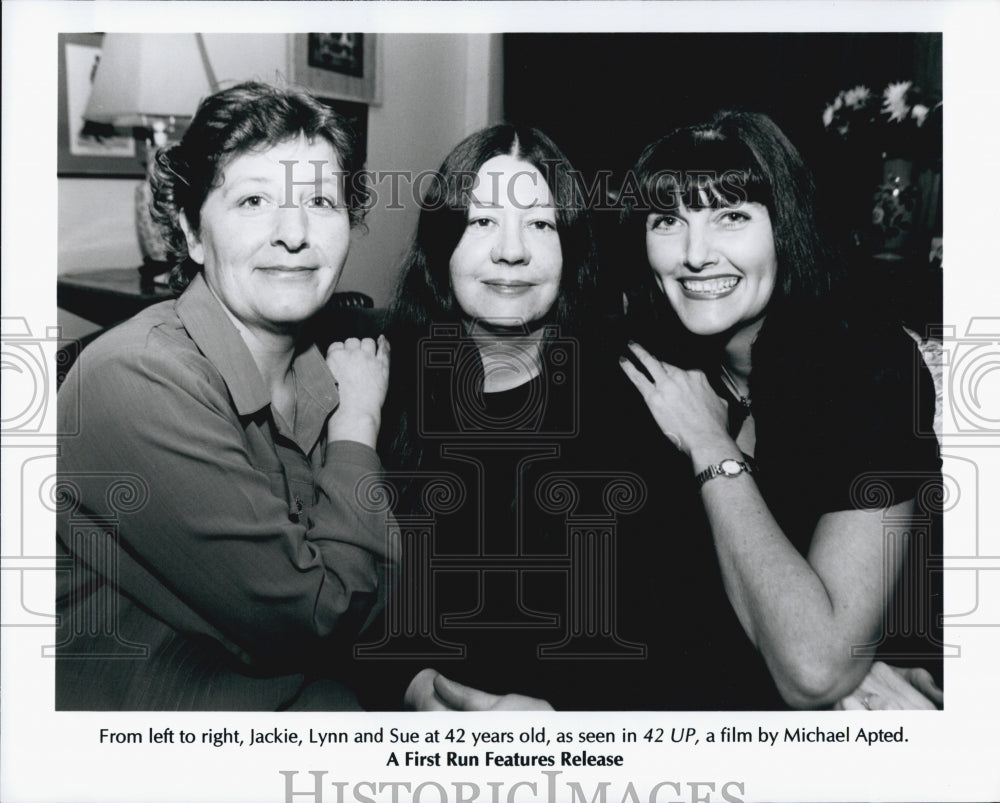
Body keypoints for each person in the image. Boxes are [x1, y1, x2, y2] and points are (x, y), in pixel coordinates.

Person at [55, 82, 395, 710]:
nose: (294, 233)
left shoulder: (334, 369)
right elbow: (322, 617)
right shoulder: (136, 380)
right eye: (254, 199)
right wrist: (357, 431)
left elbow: (383, 597)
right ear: (189, 232)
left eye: (321, 200)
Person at [357, 123, 710, 711]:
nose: (512, 250)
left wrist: (567, 724)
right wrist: (415, 688)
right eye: (482, 221)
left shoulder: (639, 399)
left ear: (571, 249)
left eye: (540, 224)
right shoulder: (378, 389)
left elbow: (677, 633)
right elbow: (349, 603)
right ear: (442, 243)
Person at [617, 111, 943, 709]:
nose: (694, 254)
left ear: (786, 227)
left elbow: (814, 670)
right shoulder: (643, 368)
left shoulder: (872, 370)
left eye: (732, 216)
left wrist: (709, 444)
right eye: (667, 220)